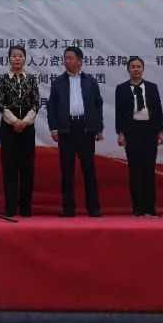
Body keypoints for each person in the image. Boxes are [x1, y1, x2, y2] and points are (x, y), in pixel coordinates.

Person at [47, 46, 104, 217]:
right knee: (67, 170)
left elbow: (98, 105)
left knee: (89, 170)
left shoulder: (90, 81)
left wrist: (98, 128)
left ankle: (93, 208)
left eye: (70, 58)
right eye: (65, 58)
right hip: (66, 129)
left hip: (85, 129)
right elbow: (52, 107)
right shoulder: (58, 82)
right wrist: (54, 128)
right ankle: (68, 208)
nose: (66, 61)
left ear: (79, 61)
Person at [114, 56, 163, 217]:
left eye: (139, 66)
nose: (136, 69)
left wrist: (160, 131)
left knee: (149, 169)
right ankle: (138, 208)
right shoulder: (121, 88)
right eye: (133, 67)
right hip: (131, 131)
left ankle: (150, 208)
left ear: (143, 69)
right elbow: (119, 112)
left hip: (150, 131)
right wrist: (121, 133)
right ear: (128, 69)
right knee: (135, 170)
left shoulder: (152, 87)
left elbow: (158, 110)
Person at [0, 44, 40, 217]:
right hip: (8, 129)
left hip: (27, 128)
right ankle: (10, 208)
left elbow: (36, 103)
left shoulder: (31, 79)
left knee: (27, 167)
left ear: (25, 59)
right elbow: (1, 104)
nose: (17, 59)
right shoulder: (3, 79)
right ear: (9, 59)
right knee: (9, 168)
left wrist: (25, 122)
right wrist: (14, 122)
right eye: (14, 56)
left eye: (20, 56)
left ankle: (26, 208)